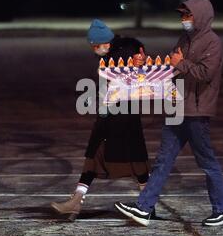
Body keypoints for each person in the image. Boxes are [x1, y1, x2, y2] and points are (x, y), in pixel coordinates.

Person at [114, 0, 223, 227]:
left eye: (187, 15)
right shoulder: (185, 39)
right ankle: (144, 208)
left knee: (207, 162)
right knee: (162, 161)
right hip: (177, 107)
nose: (184, 19)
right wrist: (146, 64)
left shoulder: (212, 43)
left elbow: (205, 74)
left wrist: (181, 63)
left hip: (197, 111)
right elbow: (171, 66)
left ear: (199, 16)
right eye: (182, 15)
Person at [51, 19, 153, 221]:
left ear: (105, 42)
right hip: (112, 114)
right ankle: (76, 200)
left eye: (96, 46)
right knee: (99, 156)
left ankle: (148, 203)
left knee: (135, 160)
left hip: (123, 115)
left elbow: (133, 77)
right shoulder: (117, 52)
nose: (94, 49)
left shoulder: (122, 53)